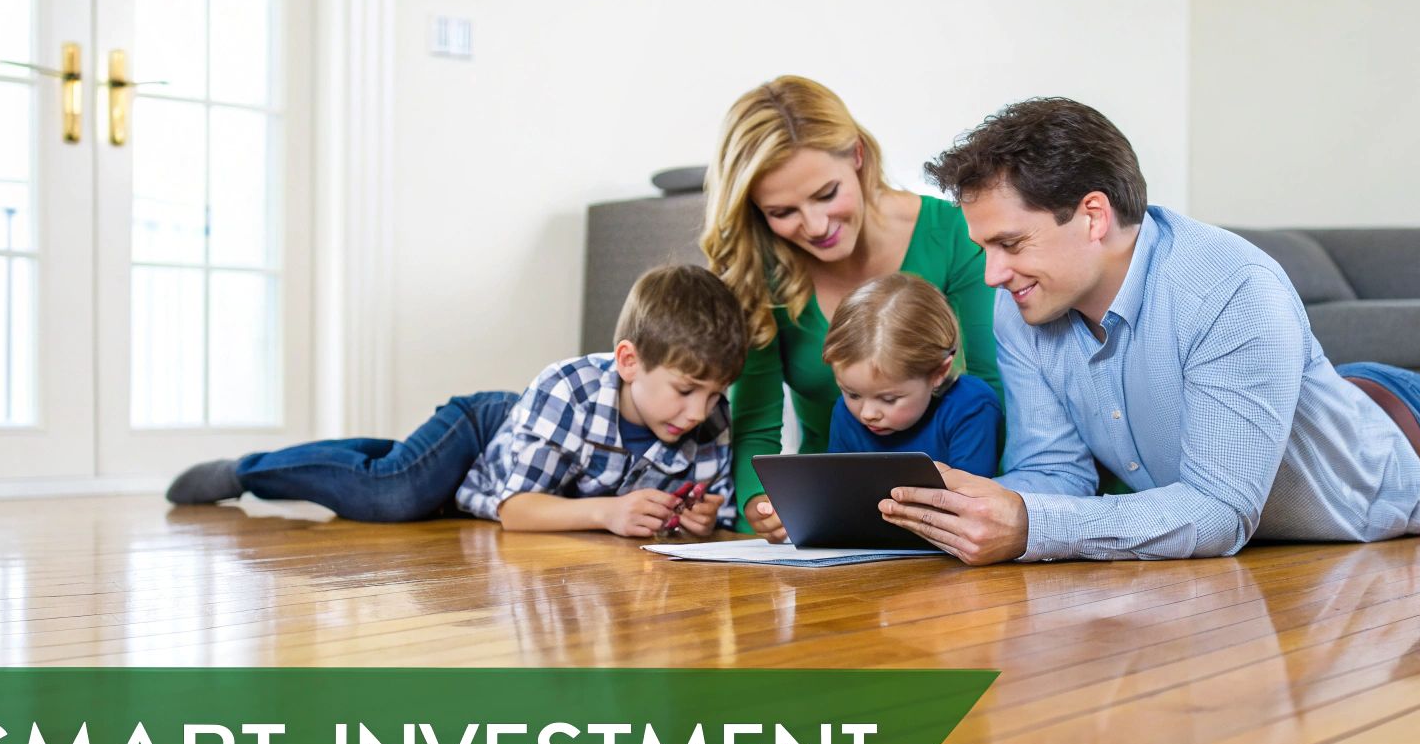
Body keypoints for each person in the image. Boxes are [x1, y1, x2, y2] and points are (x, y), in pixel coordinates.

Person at [877, 97, 1420, 564]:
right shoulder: (1025, 303)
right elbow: (1055, 469)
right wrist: (994, 509)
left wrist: (1034, 526)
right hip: (1324, 408)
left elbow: (1219, 511)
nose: (989, 273)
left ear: (1092, 216)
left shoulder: (1229, 287)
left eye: (1009, 244)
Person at [167, 265, 748, 538]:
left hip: (506, 475)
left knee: (406, 482)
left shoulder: (708, 423)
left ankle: (382, 455)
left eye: (715, 394)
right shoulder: (566, 390)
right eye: (685, 390)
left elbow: (711, 516)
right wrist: (607, 514)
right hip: (484, 430)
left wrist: (694, 522)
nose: (699, 412)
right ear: (628, 362)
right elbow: (518, 510)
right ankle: (246, 471)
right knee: (394, 491)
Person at [701, 75, 1002, 541]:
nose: (816, 226)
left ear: (857, 156)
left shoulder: (954, 234)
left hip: (951, 509)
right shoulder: (759, 272)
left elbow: (997, 387)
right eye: (783, 212)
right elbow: (755, 424)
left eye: (826, 194)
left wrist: (993, 512)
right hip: (829, 515)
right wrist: (762, 504)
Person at [822, 272, 1003, 477]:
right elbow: (838, 489)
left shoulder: (971, 406)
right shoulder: (845, 414)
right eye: (852, 394)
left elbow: (971, 498)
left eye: (889, 399)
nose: (867, 414)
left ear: (939, 372)